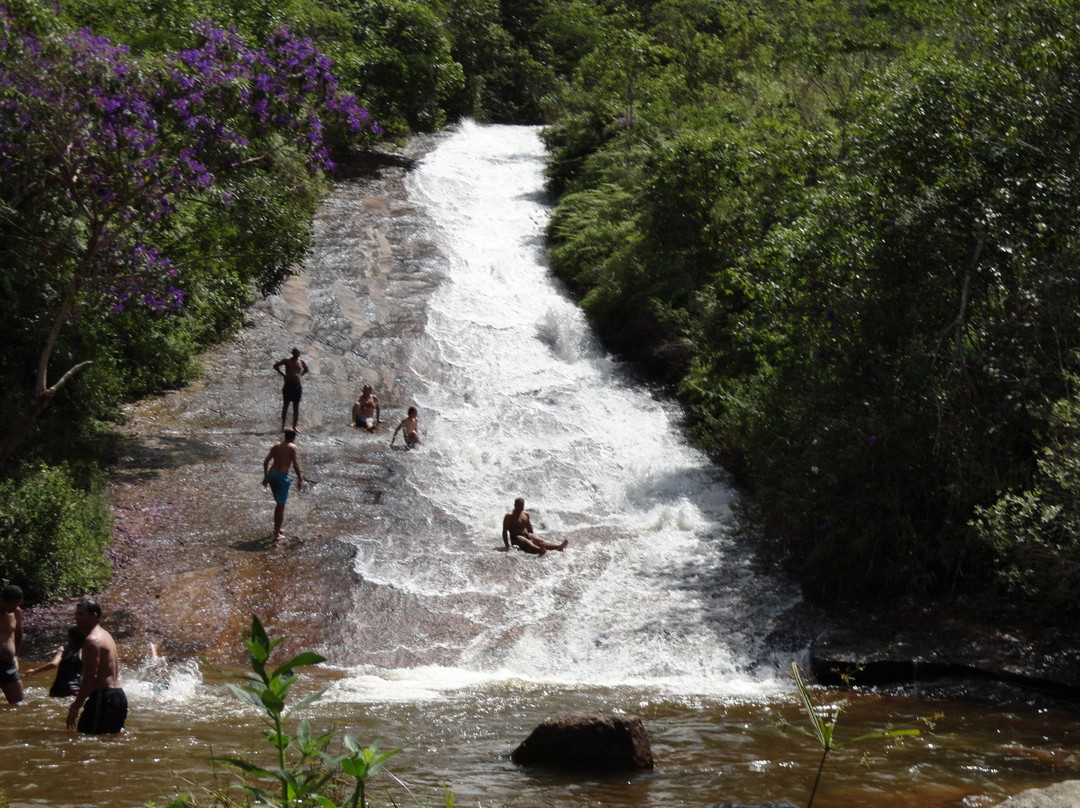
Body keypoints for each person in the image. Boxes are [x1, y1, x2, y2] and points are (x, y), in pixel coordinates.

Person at [67, 600, 127, 734]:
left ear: (94, 615)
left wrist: (76, 706)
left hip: (103, 698)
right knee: (108, 741)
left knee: (86, 739)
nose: (76, 618)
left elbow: (90, 677)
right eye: (76, 614)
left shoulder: (92, 640)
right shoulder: (105, 635)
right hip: (119, 696)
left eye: (81, 614)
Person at [263, 428, 303, 540]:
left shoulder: (276, 445)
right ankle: (276, 533)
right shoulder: (292, 447)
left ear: (285, 436)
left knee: (278, 502)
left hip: (272, 475)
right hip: (282, 477)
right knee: (280, 505)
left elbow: (266, 461)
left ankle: (278, 528)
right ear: (293, 437)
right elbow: (295, 465)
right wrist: (300, 479)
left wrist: (266, 477)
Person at [26, 626, 84, 697]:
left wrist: (35, 671)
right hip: (77, 690)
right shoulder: (86, 651)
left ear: (70, 637)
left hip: (61, 689)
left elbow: (54, 664)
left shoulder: (63, 649)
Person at [502, 498, 568, 555]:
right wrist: (507, 546)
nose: (520, 508)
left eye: (522, 506)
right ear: (515, 505)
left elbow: (529, 528)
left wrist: (533, 538)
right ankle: (540, 550)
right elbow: (504, 532)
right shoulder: (509, 516)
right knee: (526, 542)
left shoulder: (525, 514)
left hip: (526, 534)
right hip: (516, 537)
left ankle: (558, 547)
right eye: (518, 506)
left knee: (540, 541)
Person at [273, 348, 309, 432]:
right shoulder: (287, 361)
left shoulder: (301, 362)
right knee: (285, 405)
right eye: (295, 353)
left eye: (298, 353)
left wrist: (300, 375)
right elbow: (275, 366)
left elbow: (306, 369)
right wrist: (283, 374)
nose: (297, 354)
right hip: (288, 385)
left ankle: (294, 426)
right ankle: (283, 426)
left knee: (296, 407)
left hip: (297, 386)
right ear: (292, 353)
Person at [0, 584, 24, 705]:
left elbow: (18, 633)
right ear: (3, 600)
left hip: (8, 664)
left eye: (17, 604)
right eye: (12, 605)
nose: (15, 607)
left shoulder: (16, 611)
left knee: (18, 704)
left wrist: (16, 655)